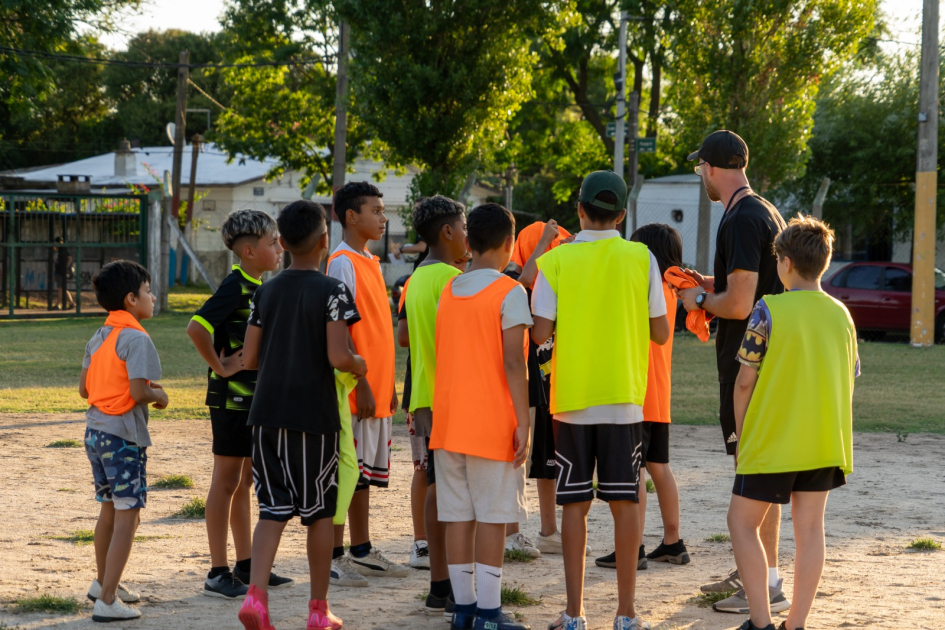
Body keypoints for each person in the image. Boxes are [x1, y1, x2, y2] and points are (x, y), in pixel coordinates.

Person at [532, 171, 670, 630]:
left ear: (579, 209)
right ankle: (626, 614)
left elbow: (541, 332)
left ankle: (574, 614)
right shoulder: (641, 257)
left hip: (571, 399)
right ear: (624, 214)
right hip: (625, 398)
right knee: (626, 502)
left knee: (575, 504)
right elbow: (660, 331)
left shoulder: (556, 261)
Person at [237, 200, 367, 630]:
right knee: (319, 513)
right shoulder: (332, 291)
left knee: (272, 510)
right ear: (324, 240)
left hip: (265, 415)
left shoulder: (265, 291)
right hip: (314, 418)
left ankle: (255, 598)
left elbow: (250, 358)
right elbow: (337, 355)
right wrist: (359, 364)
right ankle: (318, 609)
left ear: (284, 243)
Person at [677, 130, 790, 614]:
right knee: (764, 470)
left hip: (751, 364)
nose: (699, 174)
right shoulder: (762, 209)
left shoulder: (741, 217)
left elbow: (741, 303)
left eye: (700, 165)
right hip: (772, 358)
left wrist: (699, 300)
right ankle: (764, 573)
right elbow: (749, 287)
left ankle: (761, 586)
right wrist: (710, 282)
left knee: (755, 470)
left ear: (712, 166)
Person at [726, 216, 857, 630]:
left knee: (741, 524)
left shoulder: (768, 309)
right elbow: (848, 379)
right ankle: (796, 623)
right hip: (823, 442)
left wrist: (745, 435)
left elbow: (745, 381)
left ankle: (761, 621)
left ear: (784, 263)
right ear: (824, 263)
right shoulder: (842, 315)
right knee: (810, 530)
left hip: (772, 441)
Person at [430, 203, 532, 630]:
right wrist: (524, 420)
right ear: (510, 244)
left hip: (449, 421)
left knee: (458, 516)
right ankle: (490, 613)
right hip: (492, 422)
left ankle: (464, 610)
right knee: (492, 515)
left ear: (468, 243)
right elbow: (514, 362)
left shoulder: (449, 291)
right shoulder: (511, 292)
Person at [186, 209, 293, 599]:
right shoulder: (235, 286)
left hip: (252, 402)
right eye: (272, 243)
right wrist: (220, 366)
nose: (280, 248)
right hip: (231, 402)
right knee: (226, 481)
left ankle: (247, 564)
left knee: (246, 480)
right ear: (249, 251)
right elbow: (197, 327)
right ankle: (217, 571)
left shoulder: (259, 286)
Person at [326, 182, 408, 585]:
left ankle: (362, 549)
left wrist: (385, 381)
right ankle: (334, 554)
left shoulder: (370, 261)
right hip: (355, 387)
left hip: (376, 386)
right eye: (375, 210)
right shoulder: (341, 262)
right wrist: (360, 382)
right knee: (346, 473)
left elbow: (377, 330)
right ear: (350, 216)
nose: (383, 216)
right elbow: (340, 333)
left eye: (383, 209)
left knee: (364, 475)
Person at [595, 223, 690, 572]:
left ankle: (631, 547)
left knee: (633, 471)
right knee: (659, 468)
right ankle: (672, 541)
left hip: (638, 391)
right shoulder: (670, 288)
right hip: (659, 393)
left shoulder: (644, 286)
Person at [79, 260, 168, 622]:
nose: (152, 296)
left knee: (109, 508)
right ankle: (108, 599)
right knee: (128, 514)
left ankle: (103, 583)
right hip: (122, 436)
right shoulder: (136, 338)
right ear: (132, 299)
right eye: (148, 291)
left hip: (95, 432)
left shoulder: (99, 336)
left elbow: (84, 388)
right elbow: (138, 390)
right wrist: (159, 396)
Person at [397, 194, 469, 617]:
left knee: (434, 483)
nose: (467, 237)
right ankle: (455, 587)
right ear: (447, 231)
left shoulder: (416, 278)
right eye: (462, 228)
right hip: (452, 395)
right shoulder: (451, 279)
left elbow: (406, 336)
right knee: (454, 493)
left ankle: (438, 584)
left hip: (423, 395)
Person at [505, 220, 583, 557]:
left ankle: (549, 530)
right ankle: (511, 531)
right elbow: (525, 280)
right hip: (526, 378)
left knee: (550, 457)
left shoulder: (563, 280)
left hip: (555, 377)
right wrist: (546, 249)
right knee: (519, 456)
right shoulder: (511, 281)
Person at [54, 236, 76, 310]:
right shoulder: (59, 251)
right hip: (59, 272)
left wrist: (66, 267)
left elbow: (70, 258)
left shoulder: (63, 250)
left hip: (61, 272)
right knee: (63, 289)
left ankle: (58, 305)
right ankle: (71, 303)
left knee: (60, 289)